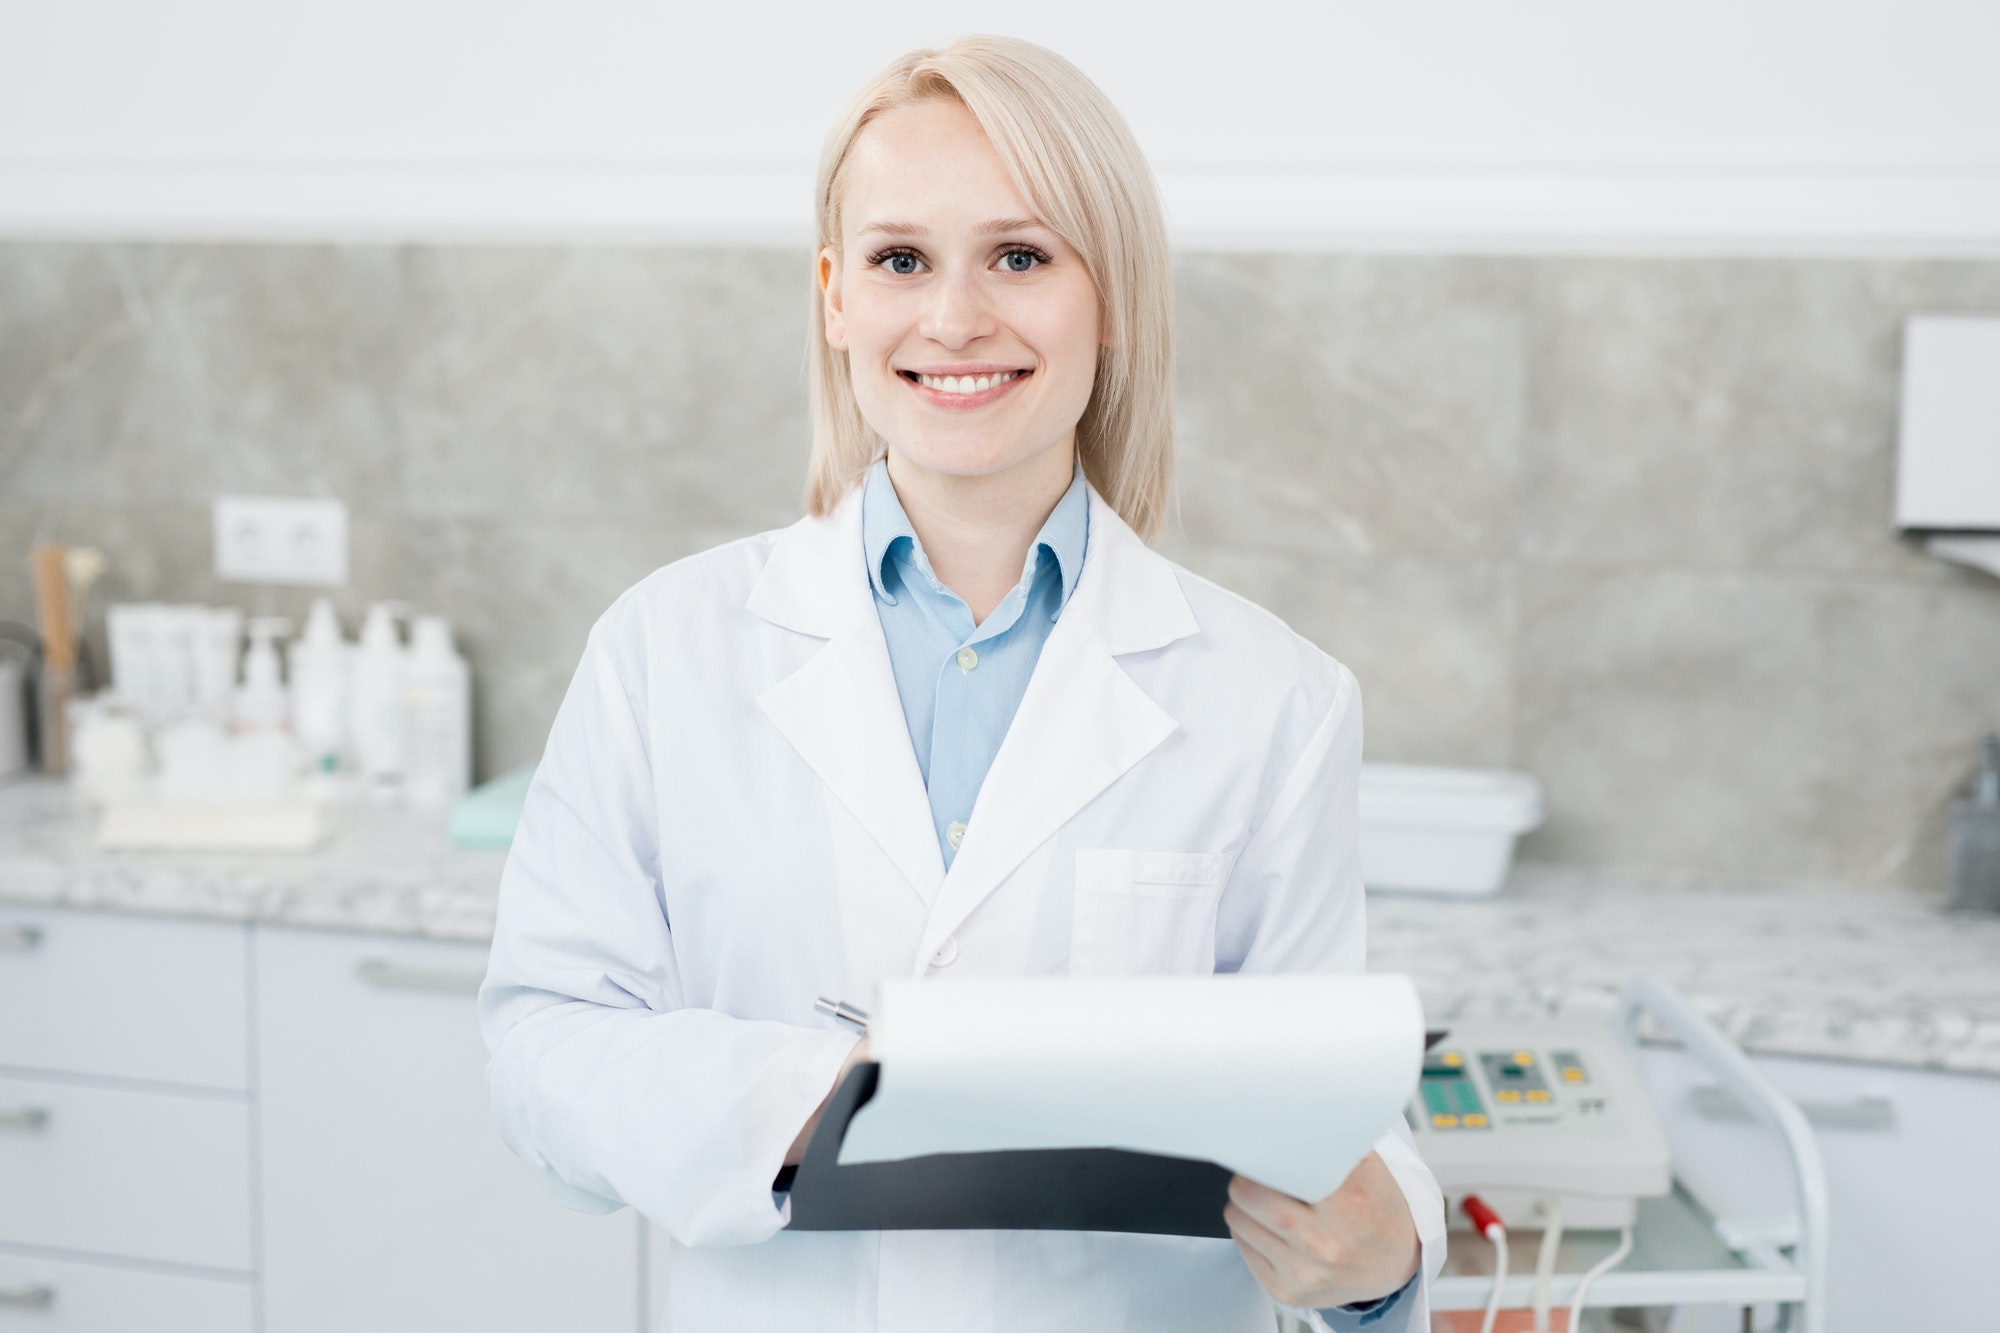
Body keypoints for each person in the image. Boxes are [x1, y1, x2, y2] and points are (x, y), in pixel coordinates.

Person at [480, 34, 1445, 1333]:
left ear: (1115, 295)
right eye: (899, 260)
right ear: (835, 297)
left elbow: (1331, 1105)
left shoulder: (1275, 699)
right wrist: (803, 1101)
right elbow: (542, 1047)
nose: (953, 319)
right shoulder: (665, 648)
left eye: (1021, 256)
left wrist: (1383, 1263)